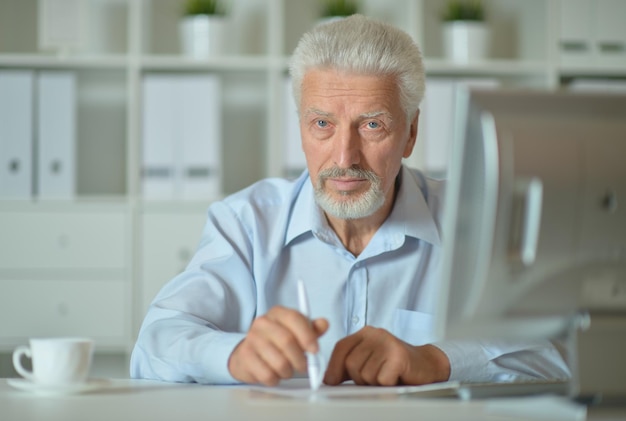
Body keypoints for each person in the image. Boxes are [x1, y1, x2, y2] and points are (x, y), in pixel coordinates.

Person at [131, 15, 569, 386]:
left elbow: (563, 354)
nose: (344, 157)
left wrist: (437, 360)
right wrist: (233, 355)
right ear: (301, 127)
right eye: (322, 123)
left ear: (411, 133)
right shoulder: (245, 223)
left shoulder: (474, 220)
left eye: (372, 125)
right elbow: (154, 344)